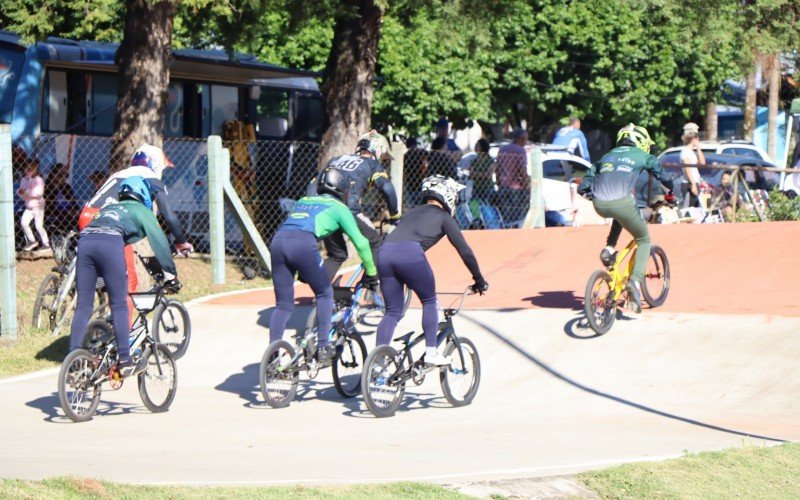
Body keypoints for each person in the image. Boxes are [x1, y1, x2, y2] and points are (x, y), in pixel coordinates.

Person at [69, 177, 178, 375]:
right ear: (143, 194)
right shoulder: (141, 210)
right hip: (110, 244)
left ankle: (73, 359)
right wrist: (171, 274)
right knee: (119, 303)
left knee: (84, 305)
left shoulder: (109, 208)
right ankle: (125, 359)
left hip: (85, 242)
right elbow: (159, 241)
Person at [374, 175, 488, 365]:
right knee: (429, 300)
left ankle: (377, 364)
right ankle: (431, 353)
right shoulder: (444, 217)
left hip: (384, 253)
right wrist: (479, 280)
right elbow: (465, 251)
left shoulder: (411, 212)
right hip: (410, 254)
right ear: (448, 195)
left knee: (392, 312)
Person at [270, 167, 378, 363]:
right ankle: (323, 347)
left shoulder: (304, 201)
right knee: (325, 293)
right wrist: (371, 272)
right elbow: (361, 243)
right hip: (302, 244)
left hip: (278, 242)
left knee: (283, 305)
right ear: (343, 190)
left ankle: (272, 356)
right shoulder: (340, 208)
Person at [78, 144, 193, 320]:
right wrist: (181, 241)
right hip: (112, 225)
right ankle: (125, 336)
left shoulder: (119, 174)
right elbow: (169, 216)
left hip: (87, 216)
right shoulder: (151, 178)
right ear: (156, 164)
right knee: (129, 280)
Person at [577, 124, 672, 313]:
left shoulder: (607, 156)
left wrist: (592, 195)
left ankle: (609, 248)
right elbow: (664, 176)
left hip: (599, 204)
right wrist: (671, 194)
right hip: (623, 202)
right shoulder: (643, 156)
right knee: (644, 240)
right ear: (642, 141)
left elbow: (584, 185)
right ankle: (635, 282)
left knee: (618, 216)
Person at [310, 130, 399, 280]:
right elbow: (387, 188)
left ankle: (322, 291)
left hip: (324, 210)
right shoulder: (372, 164)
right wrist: (395, 214)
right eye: (383, 157)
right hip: (347, 211)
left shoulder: (336, 159)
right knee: (375, 243)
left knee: (337, 254)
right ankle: (371, 282)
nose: (382, 160)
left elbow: (313, 184)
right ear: (378, 150)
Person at [495, 128, 530, 223]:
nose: (526, 142)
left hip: (503, 186)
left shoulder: (502, 150)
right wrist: (527, 186)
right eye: (526, 139)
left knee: (505, 214)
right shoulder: (520, 151)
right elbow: (522, 170)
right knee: (517, 215)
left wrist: (499, 183)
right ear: (521, 139)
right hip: (515, 188)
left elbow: (497, 169)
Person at [17, 161, 50, 251]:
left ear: (36, 169)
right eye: (27, 168)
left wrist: (26, 192)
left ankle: (46, 244)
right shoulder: (24, 180)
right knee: (23, 223)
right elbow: (22, 193)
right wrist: (20, 193)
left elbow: (39, 193)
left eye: (32, 168)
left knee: (38, 226)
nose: (29, 170)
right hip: (29, 206)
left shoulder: (39, 179)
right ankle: (32, 241)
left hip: (38, 206)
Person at [43, 162, 77, 235]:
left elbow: (74, 203)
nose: (63, 178)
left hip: (69, 212)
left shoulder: (67, 187)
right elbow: (49, 207)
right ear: (53, 174)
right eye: (60, 175)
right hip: (56, 214)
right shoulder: (47, 188)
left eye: (66, 175)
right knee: (66, 217)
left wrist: (75, 210)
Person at [679, 122, 705, 208]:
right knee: (689, 208)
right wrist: (693, 184)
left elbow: (702, 162)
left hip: (695, 182)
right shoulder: (685, 151)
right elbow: (688, 169)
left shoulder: (692, 152)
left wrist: (698, 148)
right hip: (689, 183)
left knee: (696, 208)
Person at [402, 137, 428, 208]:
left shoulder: (406, 155)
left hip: (411, 184)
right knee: (422, 205)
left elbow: (404, 171)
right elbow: (425, 164)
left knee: (412, 206)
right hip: (421, 183)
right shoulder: (422, 152)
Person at [469, 138, 496, 203]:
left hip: (488, 188)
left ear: (482, 147)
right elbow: (471, 175)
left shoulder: (490, 160)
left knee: (486, 206)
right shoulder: (474, 161)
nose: (475, 147)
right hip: (476, 188)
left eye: (477, 145)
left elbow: (488, 175)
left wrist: (476, 174)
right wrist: (483, 174)